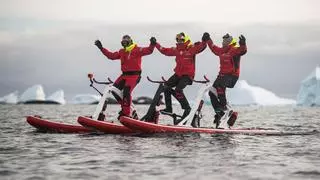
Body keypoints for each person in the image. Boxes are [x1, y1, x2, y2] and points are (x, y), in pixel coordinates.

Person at [94, 35, 157, 118]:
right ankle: (125, 108)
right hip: (124, 75)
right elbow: (111, 56)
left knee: (126, 91)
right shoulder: (122, 51)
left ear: (130, 41)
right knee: (114, 90)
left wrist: (152, 44)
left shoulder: (137, 50)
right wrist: (101, 48)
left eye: (125, 41)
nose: (124, 43)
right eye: (123, 42)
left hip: (134, 75)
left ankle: (126, 113)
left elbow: (149, 51)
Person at [155, 32, 207, 123]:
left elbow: (201, 47)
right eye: (178, 40)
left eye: (182, 40)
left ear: (185, 39)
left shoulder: (191, 48)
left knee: (178, 90)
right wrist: (155, 44)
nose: (180, 41)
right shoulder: (176, 50)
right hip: (178, 74)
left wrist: (204, 40)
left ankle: (187, 109)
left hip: (187, 75)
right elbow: (165, 51)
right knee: (166, 87)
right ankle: (169, 108)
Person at [202, 32, 247, 127]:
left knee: (220, 86)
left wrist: (243, 44)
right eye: (223, 40)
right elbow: (214, 48)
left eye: (225, 41)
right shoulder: (221, 51)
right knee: (212, 92)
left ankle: (225, 108)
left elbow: (242, 51)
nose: (223, 42)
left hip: (232, 76)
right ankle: (220, 112)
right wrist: (208, 39)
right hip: (221, 76)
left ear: (229, 42)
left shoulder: (234, 50)